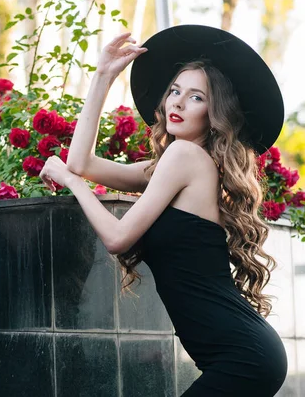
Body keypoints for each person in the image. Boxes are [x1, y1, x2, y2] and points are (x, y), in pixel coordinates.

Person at [39, 24, 288, 396]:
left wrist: (74, 185)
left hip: (243, 356)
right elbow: (81, 161)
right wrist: (103, 76)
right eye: (174, 91)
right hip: (247, 353)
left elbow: (117, 237)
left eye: (195, 97)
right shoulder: (178, 164)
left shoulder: (185, 156)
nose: (177, 102)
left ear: (215, 112)